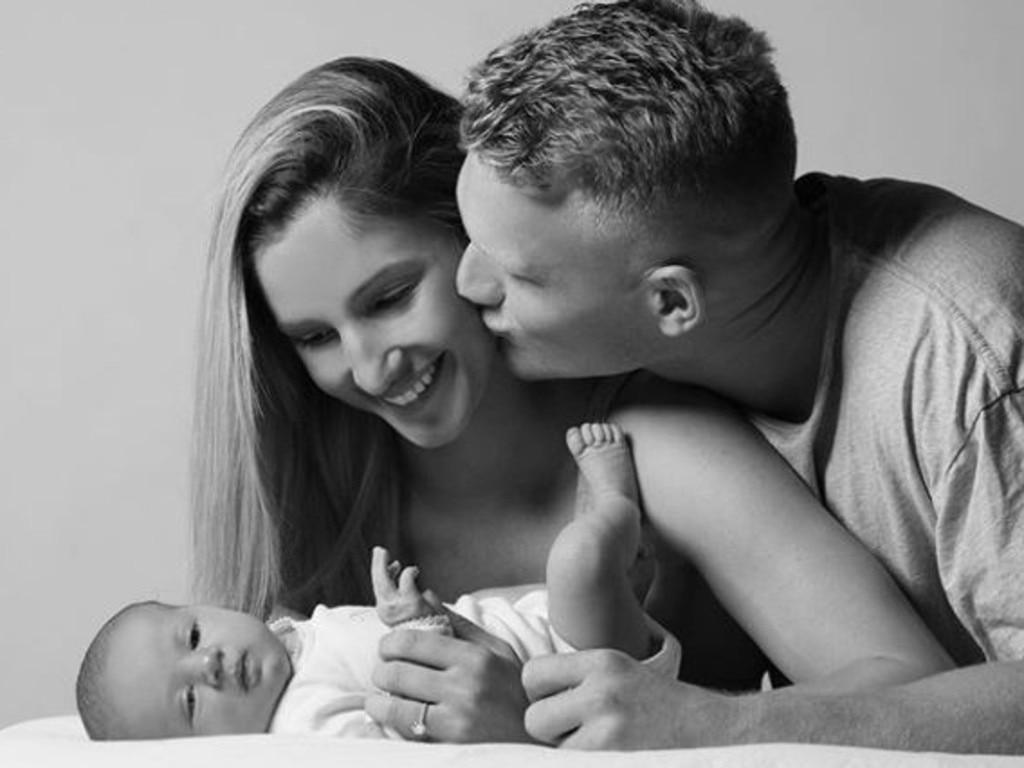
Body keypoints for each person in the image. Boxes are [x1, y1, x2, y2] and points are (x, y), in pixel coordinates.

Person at [191, 55, 953, 744]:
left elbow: (911, 684)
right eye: (316, 337)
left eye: (391, 296)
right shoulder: (320, 501)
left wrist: (566, 735)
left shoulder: (654, 447)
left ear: (478, 242)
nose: (368, 367)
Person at [454, 0, 1024, 753]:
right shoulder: (688, 349)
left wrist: (720, 726)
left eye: (517, 274)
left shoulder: (972, 356)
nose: (468, 285)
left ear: (670, 301)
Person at [76, 428, 678, 740]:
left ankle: (620, 578)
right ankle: (616, 510)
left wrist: (399, 612)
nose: (208, 663)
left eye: (192, 633)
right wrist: (417, 629)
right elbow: (404, 738)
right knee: (576, 559)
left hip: (528, 634)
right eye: (188, 702)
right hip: (575, 676)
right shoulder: (304, 723)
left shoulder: (293, 638)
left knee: (553, 581)